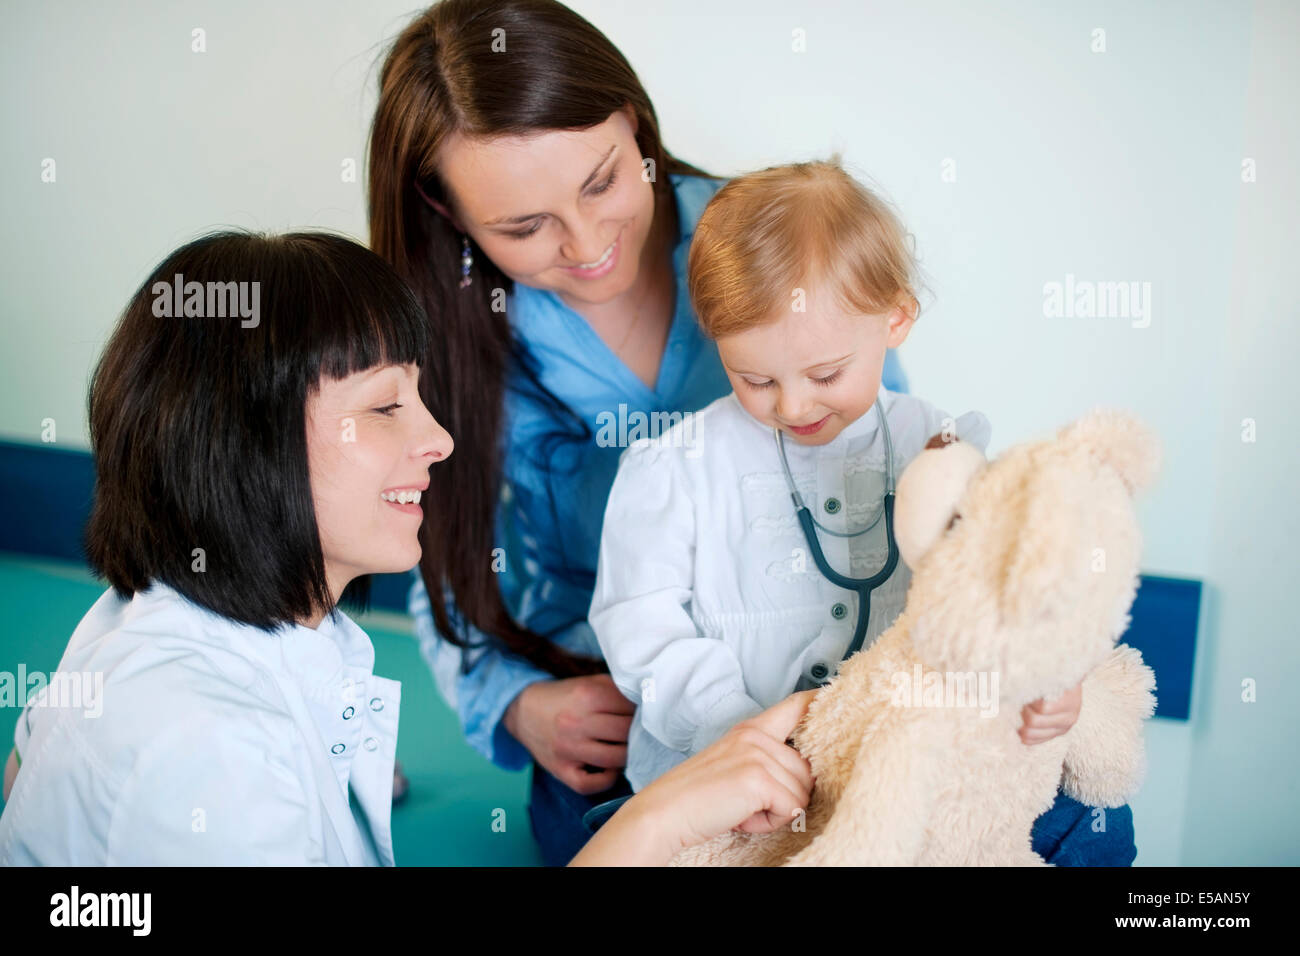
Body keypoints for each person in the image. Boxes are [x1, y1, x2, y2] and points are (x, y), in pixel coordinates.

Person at [365, 0, 912, 867]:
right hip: (623, 712)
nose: (588, 247)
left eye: (602, 182)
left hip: (830, 685)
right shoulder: (448, 342)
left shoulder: (778, 246)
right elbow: (440, 558)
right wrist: (516, 703)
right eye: (522, 227)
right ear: (449, 213)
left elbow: (890, 459)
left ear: (635, 122)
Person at [590, 159, 1135, 865]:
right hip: (744, 788)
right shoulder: (676, 469)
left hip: (903, 768)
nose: (791, 406)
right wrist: (735, 729)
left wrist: (1047, 690)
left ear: (896, 317)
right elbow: (642, 627)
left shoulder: (941, 451)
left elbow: (1003, 593)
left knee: (1090, 829)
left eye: (824, 375)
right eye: (753, 379)